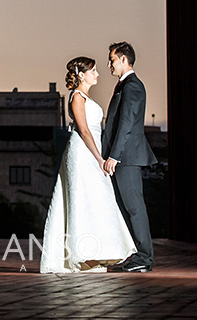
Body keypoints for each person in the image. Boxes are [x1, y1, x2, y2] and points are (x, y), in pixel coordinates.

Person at [40, 56, 137, 273]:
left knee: (98, 199)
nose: (98, 74)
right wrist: (99, 158)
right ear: (81, 75)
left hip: (92, 151)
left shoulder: (86, 97)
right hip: (83, 153)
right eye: (93, 70)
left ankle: (99, 252)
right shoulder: (77, 97)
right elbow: (83, 131)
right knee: (83, 199)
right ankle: (83, 256)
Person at [101, 41, 158, 272]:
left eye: (112, 60)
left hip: (127, 158)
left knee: (134, 207)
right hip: (122, 157)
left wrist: (114, 155)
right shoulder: (124, 85)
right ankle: (136, 255)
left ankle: (144, 258)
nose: (109, 65)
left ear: (124, 59)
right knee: (126, 207)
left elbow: (126, 122)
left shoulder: (132, 86)